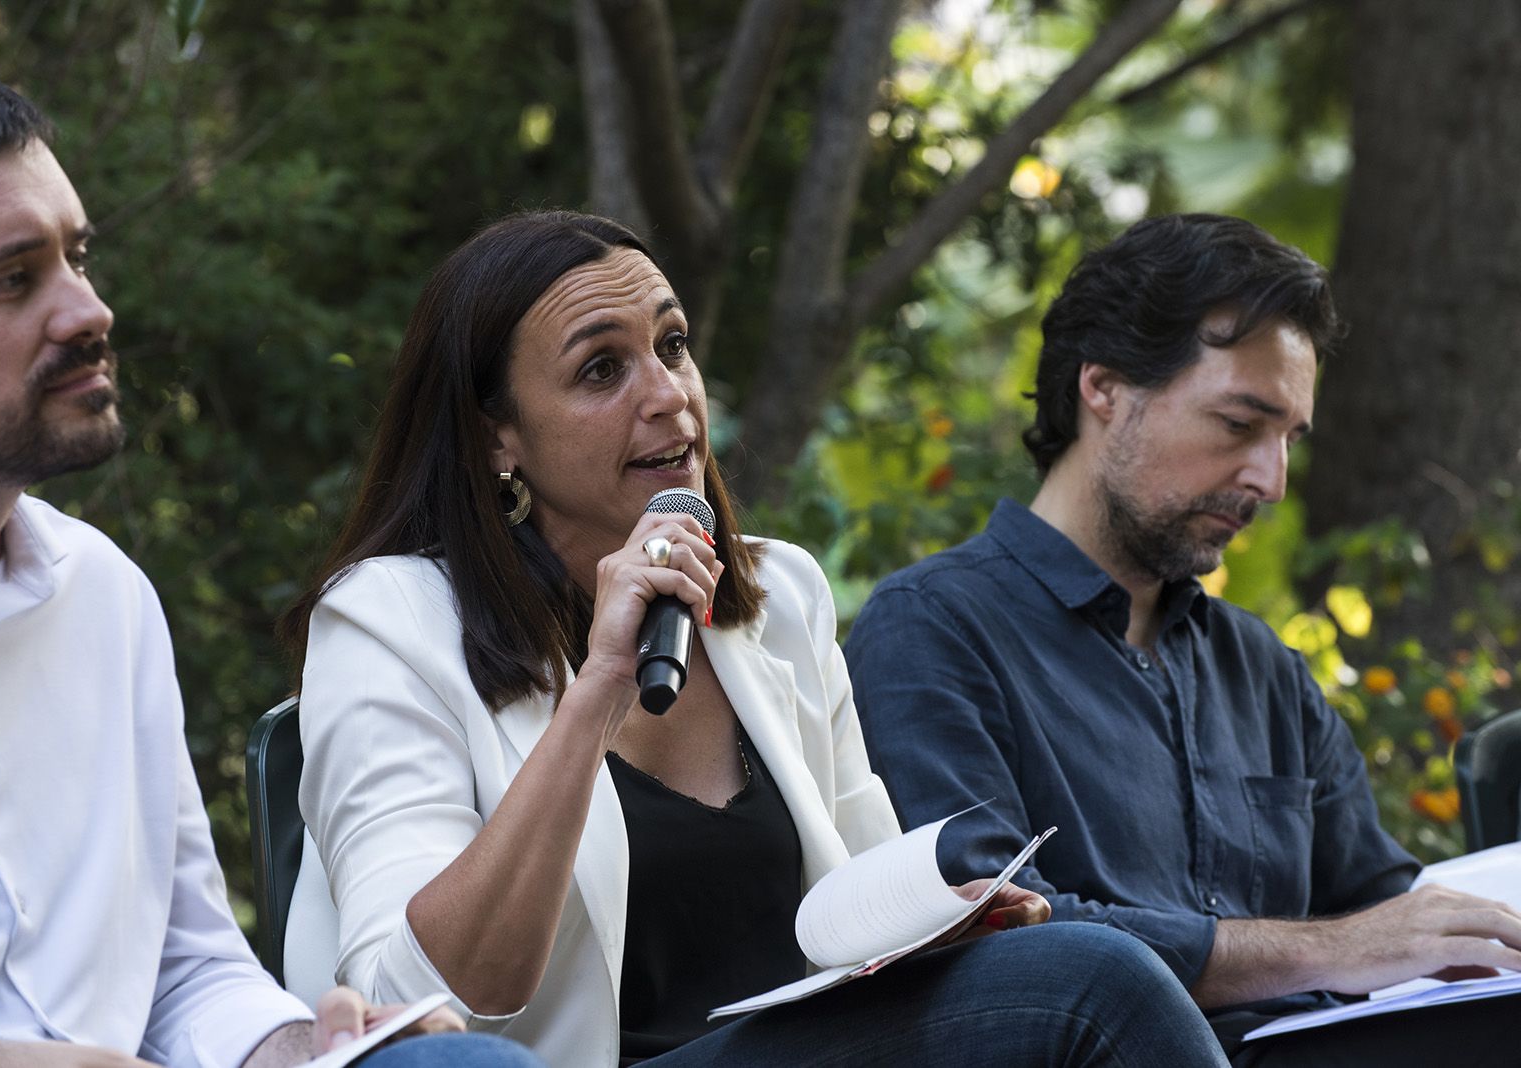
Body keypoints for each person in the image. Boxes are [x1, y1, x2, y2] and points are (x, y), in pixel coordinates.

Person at [276, 209, 1231, 1067]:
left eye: (674, 346)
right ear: (497, 438)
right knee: (1096, 989)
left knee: (1067, 967)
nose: (668, 395)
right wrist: (600, 683)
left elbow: (863, 895)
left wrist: (946, 932)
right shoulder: (388, 620)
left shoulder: (780, 597)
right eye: (602, 369)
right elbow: (419, 1001)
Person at [0, 66, 541, 1068]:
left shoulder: (105, 597)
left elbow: (189, 973)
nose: (88, 311)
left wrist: (313, 1047)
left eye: (78, 257)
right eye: (12, 279)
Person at [844, 213, 1521, 1066]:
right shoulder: (932, 629)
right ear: (1104, 389)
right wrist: (1332, 951)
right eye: (1241, 424)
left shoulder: (1263, 668)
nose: (1270, 480)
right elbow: (1000, 939)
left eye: (1288, 440)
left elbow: (1385, 908)